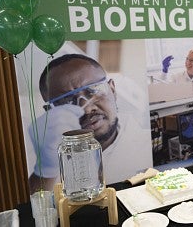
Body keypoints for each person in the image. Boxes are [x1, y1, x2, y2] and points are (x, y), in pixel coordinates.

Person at [28, 54, 151, 193]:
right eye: (66, 101)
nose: (87, 109)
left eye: (93, 90)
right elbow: (40, 206)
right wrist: (46, 169)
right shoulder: (45, 158)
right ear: (50, 111)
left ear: (112, 89)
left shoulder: (147, 144)